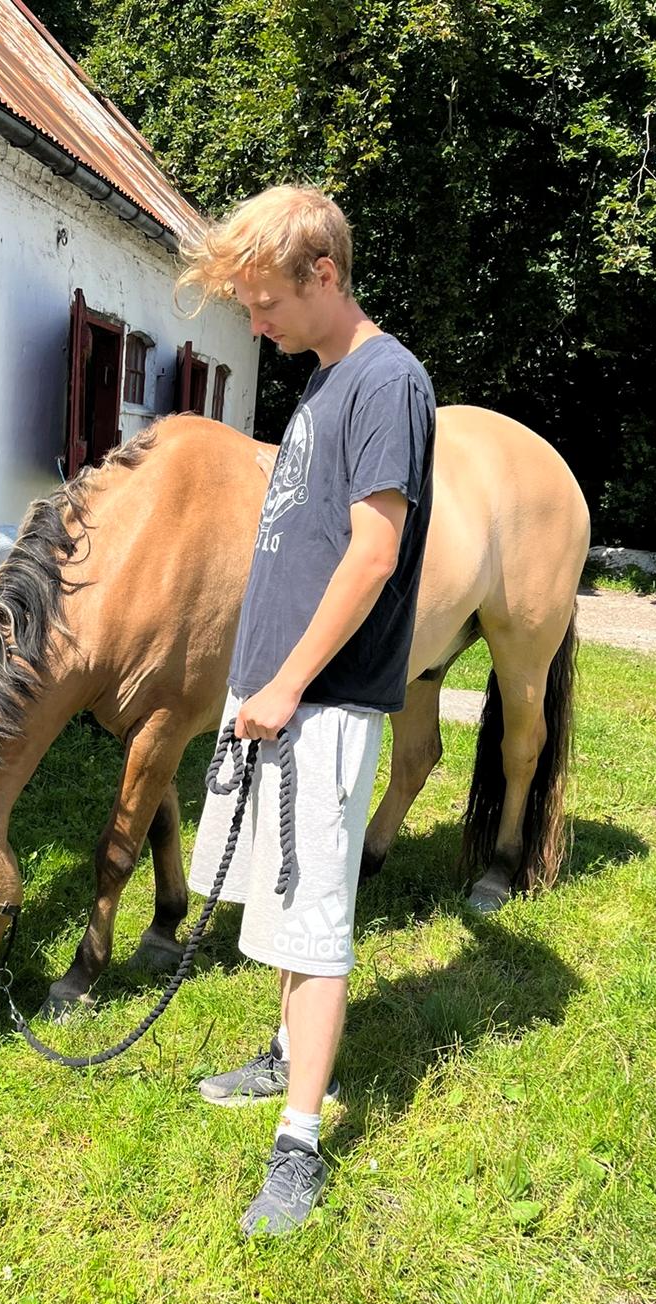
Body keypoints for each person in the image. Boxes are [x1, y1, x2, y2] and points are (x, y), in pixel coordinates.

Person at [178, 185, 436, 1238]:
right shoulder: (323, 384)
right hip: (277, 697)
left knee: (319, 916)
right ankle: (288, 1057)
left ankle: (300, 1146)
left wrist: (287, 685)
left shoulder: (388, 381)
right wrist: (252, 681)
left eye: (264, 300)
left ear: (322, 273)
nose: (254, 324)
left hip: (320, 704)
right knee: (283, 898)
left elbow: (375, 552)